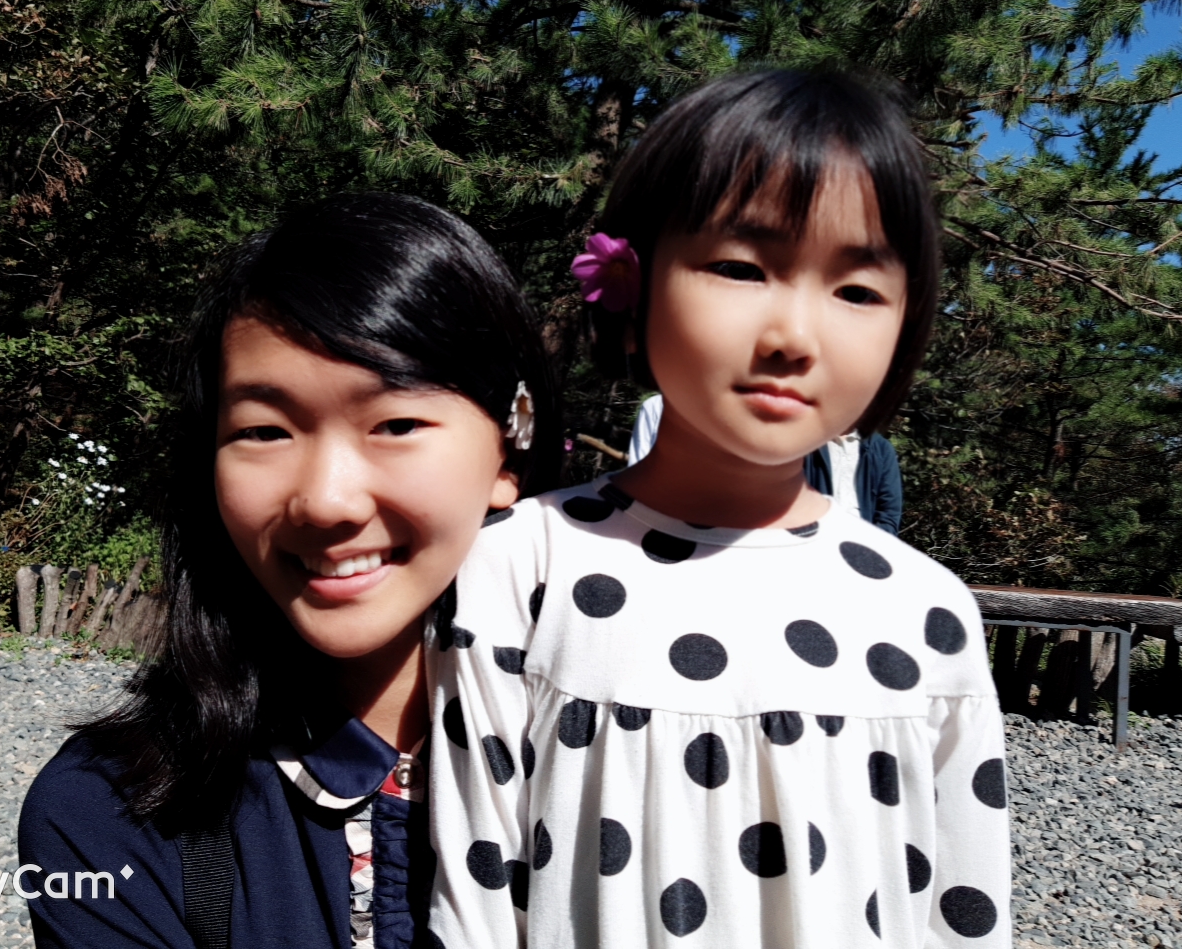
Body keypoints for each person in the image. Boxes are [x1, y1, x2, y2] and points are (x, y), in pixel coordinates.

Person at [426, 71, 1009, 947]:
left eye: (857, 290)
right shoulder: (518, 571)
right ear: (632, 283)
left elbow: (962, 910)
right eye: (740, 268)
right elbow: (472, 909)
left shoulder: (926, 613)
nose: (794, 337)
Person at [17, 193, 561, 949]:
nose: (326, 501)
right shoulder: (112, 815)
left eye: (396, 423)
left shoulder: (641, 753)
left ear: (510, 450)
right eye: (265, 431)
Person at [631, 396, 904, 535]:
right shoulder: (811, 441)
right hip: (814, 541)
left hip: (863, 540)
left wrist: (871, 548)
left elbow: (889, 510)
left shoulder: (879, 450)